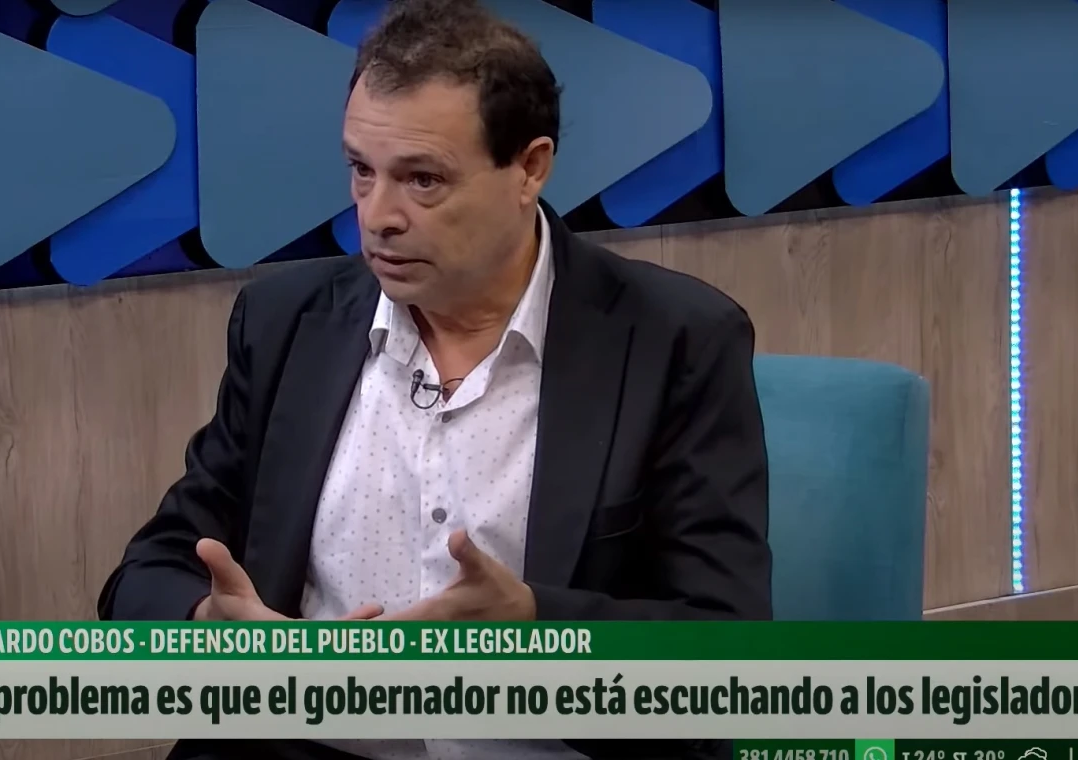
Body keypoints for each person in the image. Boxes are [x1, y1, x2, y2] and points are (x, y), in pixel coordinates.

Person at [98, 0, 772, 757]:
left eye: (422, 180)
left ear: (530, 168)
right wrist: (208, 626)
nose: (378, 216)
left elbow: (729, 658)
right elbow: (148, 573)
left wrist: (535, 632)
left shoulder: (674, 342)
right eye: (362, 171)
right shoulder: (286, 325)